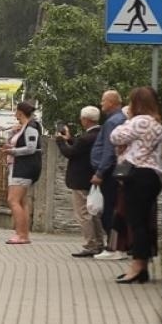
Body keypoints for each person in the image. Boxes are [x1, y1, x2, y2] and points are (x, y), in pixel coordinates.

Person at [109, 87, 162, 285]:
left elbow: (115, 136)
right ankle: (142, 267)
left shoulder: (140, 121)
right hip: (152, 176)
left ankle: (137, 266)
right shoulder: (157, 123)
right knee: (143, 221)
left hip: (138, 175)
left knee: (136, 222)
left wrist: (128, 118)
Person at [56, 106, 106, 258]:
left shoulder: (86, 138)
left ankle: (91, 244)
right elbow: (80, 148)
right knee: (94, 213)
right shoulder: (100, 134)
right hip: (93, 178)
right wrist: (70, 139)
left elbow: (71, 152)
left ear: (86, 120)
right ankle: (99, 243)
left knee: (84, 213)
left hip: (81, 180)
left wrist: (60, 141)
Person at [90, 89, 127, 262]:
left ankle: (114, 247)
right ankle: (118, 245)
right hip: (113, 170)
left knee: (109, 211)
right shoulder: (119, 119)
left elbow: (109, 150)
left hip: (109, 172)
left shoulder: (113, 121)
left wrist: (100, 172)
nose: (101, 104)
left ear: (112, 102)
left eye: (103, 101)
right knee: (113, 209)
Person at [4, 100, 43, 244]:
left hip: (23, 168)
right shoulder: (24, 127)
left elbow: (31, 148)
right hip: (19, 166)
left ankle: (20, 234)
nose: (15, 113)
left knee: (13, 200)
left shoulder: (31, 127)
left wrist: (13, 151)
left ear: (20, 112)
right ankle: (24, 234)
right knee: (21, 201)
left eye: (16, 110)